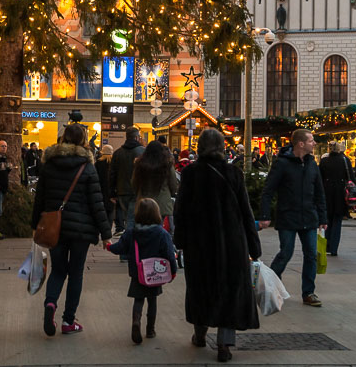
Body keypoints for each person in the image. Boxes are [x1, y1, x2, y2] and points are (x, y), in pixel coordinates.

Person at [174, 128, 261, 363]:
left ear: (200, 147)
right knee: (230, 290)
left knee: (201, 288)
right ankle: (224, 344)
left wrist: (179, 241)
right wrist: (254, 246)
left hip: (199, 243)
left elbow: (180, 210)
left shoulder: (191, 173)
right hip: (231, 243)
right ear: (223, 147)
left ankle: (200, 334)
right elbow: (245, 211)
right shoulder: (233, 173)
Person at [31, 123, 111, 337]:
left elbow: (39, 198)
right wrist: (106, 233)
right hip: (81, 230)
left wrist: (34, 226)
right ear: (83, 141)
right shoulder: (87, 166)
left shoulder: (49, 164)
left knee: (58, 270)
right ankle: (68, 320)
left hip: (54, 227)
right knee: (76, 273)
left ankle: (50, 305)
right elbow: (97, 202)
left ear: (63, 139)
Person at [259, 129, 327, 307]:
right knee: (285, 253)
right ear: (300, 144)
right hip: (288, 216)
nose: (314, 143)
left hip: (309, 217)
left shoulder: (312, 164)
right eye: (311, 140)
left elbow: (319, 192)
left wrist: (323, 217)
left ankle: (308, 292)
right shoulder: (282, 164)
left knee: (311, 255)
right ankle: (271, 286)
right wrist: (265, 215)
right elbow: (268, 191)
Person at [105, 198, 177, 345]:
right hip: (155, 274)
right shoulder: (162, 234)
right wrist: (173, 271)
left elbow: (120, 248)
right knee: (152, 301)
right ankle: (150, 329)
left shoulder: (131, 232)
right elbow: (169, 254)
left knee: (138, 299)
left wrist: (108, 246)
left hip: (138, 273)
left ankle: (136, 321)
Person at [131, 139, 179, 231]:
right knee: (159, 228)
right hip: (162, 202)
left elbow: (134, 182)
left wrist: (138, 193)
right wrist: (172, 193)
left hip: (144, 200)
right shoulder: (167, 164)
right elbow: (173, 183)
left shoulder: (140, 164)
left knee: (143, 227)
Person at [319, 140, 353, 256]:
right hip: (340, 192)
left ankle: (327, 246)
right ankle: (334, 248)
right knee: (337, 220)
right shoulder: (345, 160)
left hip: (326, 191)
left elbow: (319, 177)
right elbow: (351, 177)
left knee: (327, 219)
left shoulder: (324, 161)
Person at [110, 127, 145, 234]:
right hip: (138, 190)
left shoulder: (117, 153)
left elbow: (112, 174)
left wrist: (112, 193)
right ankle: (131, 242)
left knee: (129, 216)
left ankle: (132, 241)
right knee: (132, 218)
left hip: (122, 191)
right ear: (136, 137)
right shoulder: (142, 152)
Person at [94, 144, 115, 227]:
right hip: (111, 189)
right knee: (110, 209)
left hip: (101, 189)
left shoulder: (98, 162)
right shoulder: (113, 162)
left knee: (102, 209)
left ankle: (102, 226)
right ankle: (109, 226)